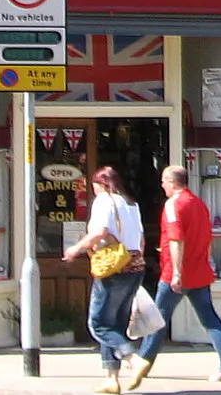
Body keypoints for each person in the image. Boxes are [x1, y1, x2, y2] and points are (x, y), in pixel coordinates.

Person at [127, 165, 221, 387]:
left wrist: (176, 272)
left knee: (156, 320)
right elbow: (207, 238)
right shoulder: (199, 204)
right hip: (199, 271)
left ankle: (144, 362)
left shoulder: (173, 206)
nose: (162, 185)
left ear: (173, 182)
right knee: (210, 319)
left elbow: (177, 240)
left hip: (175, 273)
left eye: (164, 181)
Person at [63, 165, 145, 395]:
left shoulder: (105, 201)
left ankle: (132, 358)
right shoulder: (131, 204)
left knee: (99, 323)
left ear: (103, 184)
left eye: (94, 186)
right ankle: (111, 378)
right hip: (135, 266)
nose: (93, 190)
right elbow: (140, 241)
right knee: (116, 324)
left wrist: (75, 249)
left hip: (113, 270)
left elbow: (100, 231)